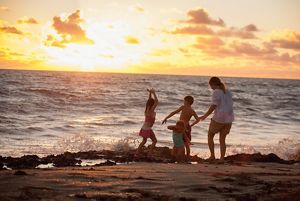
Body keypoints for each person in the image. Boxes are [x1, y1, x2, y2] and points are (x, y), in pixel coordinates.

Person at [199, 77, 234, 162]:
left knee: (210, 135)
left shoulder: (216, 92)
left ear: (213, 84)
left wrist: (205, 116)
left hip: (219, 118)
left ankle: (212, 156)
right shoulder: (228, 91)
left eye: (210, 85)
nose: (211, 87)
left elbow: (214, 106)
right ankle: (222, 158)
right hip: (229, 118)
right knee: (222, 139)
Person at [135, 88, 158, 157]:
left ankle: (137, 153)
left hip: (145, 127)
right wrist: (154, 93)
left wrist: (150, 93)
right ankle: (149, 153)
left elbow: (149, 100)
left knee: (144, 141)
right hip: (147, 128)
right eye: (153, 104)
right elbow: (156, 101)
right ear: (152, 104)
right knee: (154, 141)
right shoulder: (151, 110)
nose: (155, 105)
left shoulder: (147, 109)